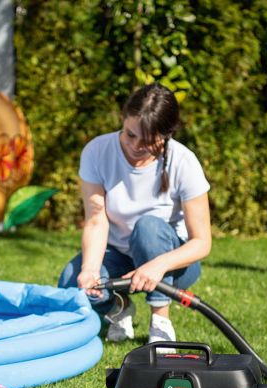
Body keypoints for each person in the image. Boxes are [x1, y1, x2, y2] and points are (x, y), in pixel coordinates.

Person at [58, 83, 211, 343]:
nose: (136, 146)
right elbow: (96, 220)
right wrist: (91, 269)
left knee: (148, 227)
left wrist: (157, 265)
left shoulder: (184, 162)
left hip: (173, 264)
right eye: (130, 135)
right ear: (123, 118)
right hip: (119, 256)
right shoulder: (97, 151)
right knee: (72, 282)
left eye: (148, 141)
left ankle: (160, 323)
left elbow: (202, 243)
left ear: (167, 134)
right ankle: (119, 307)